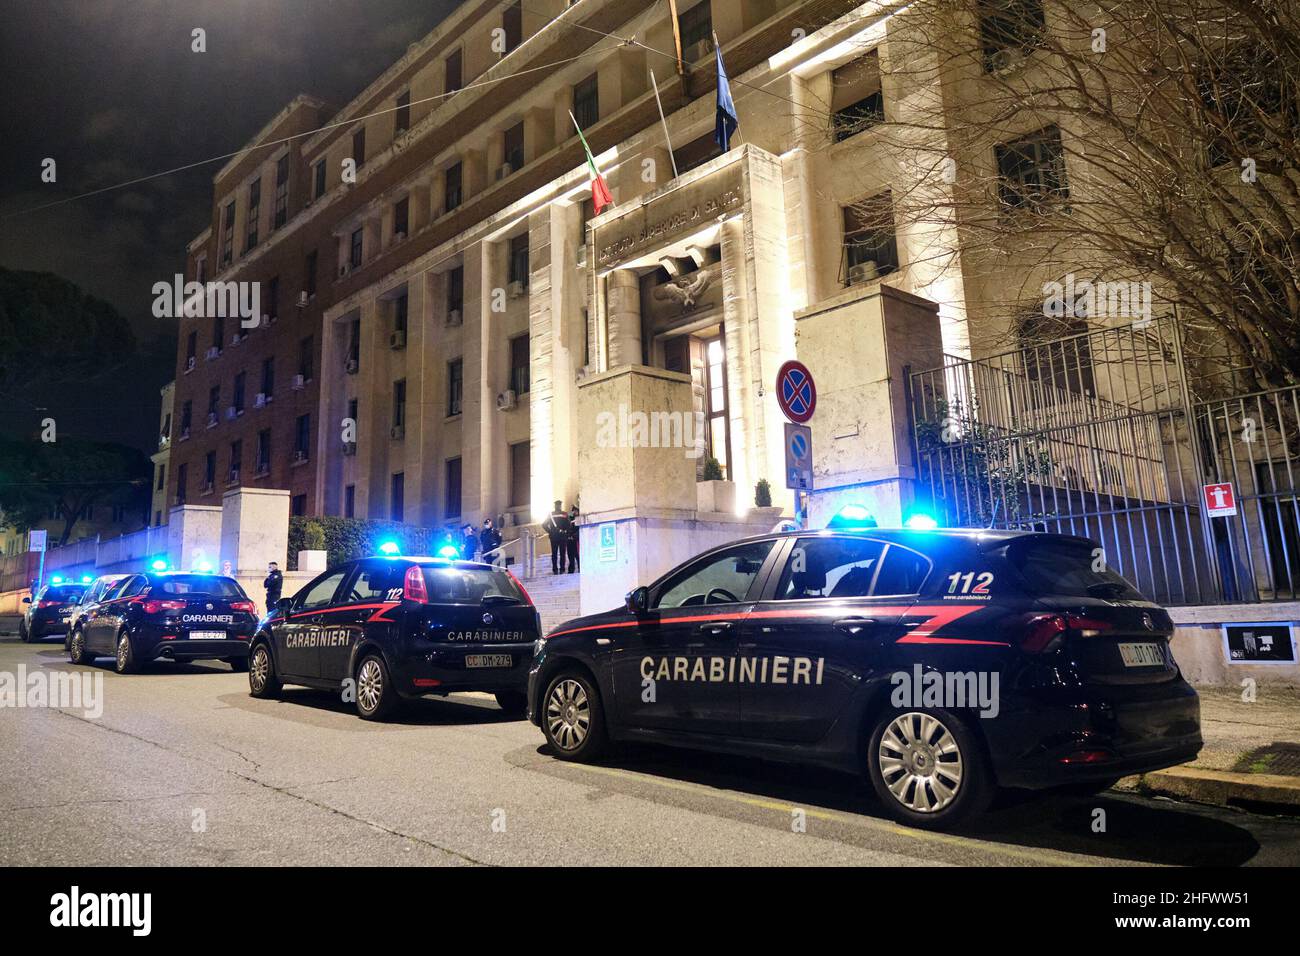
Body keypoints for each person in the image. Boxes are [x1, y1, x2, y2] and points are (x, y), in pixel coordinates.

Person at [542, 500, 570, 574]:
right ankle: (562, 569)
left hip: (554, 537)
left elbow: (544, 524)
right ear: (560, 506)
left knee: (554, 554)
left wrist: (550, 531)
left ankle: (555, 569)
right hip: (562, 537)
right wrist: (566, 533)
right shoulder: (564, 514)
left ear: (555, 506)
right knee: (562, 554)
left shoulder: (551, 514)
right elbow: (568, 525)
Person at [565, 505, 580, 574]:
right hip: (569, 539)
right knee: (570, 555)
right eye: (573, 511)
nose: (574, 512)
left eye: (576, 511)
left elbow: (579, 529)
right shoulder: (569, 517)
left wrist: (574, 535)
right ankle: (571, 569)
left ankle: (580, 568)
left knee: (577, 554)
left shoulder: (579, 517)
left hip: (576, 539)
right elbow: (566, 527)